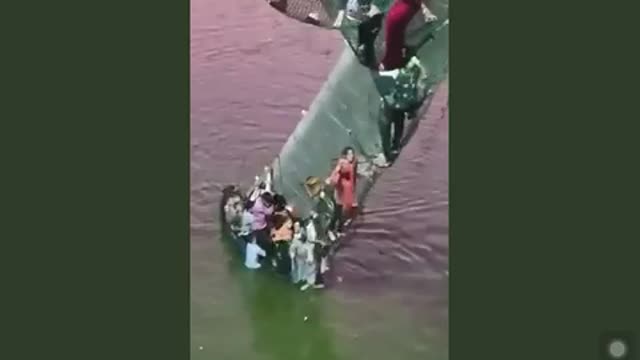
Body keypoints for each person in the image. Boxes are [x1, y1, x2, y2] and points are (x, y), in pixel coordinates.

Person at [325, 146, 358, 235]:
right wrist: (330, 179)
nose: (351, 155)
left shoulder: (352, 163)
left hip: (347, 191)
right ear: (345, 155)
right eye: (349, 154)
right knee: (338, 212)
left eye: (352, 153)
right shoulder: (342, 163)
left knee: (343, 211)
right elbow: (336, 171)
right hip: (340, 191)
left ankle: (339, 229)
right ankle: (331, 229)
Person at [289, 221, 315, 287]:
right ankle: (299, 278)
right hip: (298, 257)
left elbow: (309, 253)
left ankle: (303, 278)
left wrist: (309, 259)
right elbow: (293, 247)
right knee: (299, 268)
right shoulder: (297, 241)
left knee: (304, 268)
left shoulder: (307, 245)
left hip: (304, 258)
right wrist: (292, 253)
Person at [250, 192, 275, 262]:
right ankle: (262, 257)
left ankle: (260, 255)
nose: (268, 204)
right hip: (257, 227)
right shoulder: (258, 206)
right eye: (268, 203)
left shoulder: (258, 200)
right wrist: (271, 205)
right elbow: (269, 212)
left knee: (262, 240)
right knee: (263, 241)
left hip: (262, 224)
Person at [270, 205, 293, 273]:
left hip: (280, 242)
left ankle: (278, 266)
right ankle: (276, 265)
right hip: (279, 242)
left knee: (279, 255)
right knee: (277, 254)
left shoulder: (287, 221)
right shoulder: (282, 219)